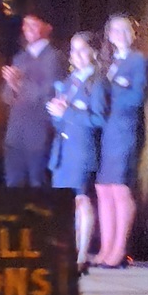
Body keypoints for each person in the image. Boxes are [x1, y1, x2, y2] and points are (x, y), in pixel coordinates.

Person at [46, 31, 106, 273]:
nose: (77, 55)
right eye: (73, 50)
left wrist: (68, 113)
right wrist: (56, 112)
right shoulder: (70, 82)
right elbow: (61, 120)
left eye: (82, 50)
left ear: (93, 52)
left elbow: (99, 119)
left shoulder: (98, 82)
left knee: (81, 200)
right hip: (62, 149)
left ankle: (82, 255)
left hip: (82, 149)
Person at [93, 15, 148, 268]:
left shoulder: (138, 60)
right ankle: (105, 247)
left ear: (133, 34)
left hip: (125, 127)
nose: (119, 34)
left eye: (124, 29)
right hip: (108, 129)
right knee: (103, 188)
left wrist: (116, 94)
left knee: (120, 188)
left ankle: (119, 249)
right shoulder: (108, 62)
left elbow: (137, 97)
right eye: (114, 29)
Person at [2, 12, 67, 188]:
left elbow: (48, 94)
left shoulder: (54, 57)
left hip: (38, 132)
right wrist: (12, 85)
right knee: (13, 184)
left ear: (47, 28)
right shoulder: (19, 58)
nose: (27, 29)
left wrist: (20, 83)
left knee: (37, 186)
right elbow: (7, 96)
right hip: (15, 134)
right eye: (25, 25)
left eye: (34, 24)